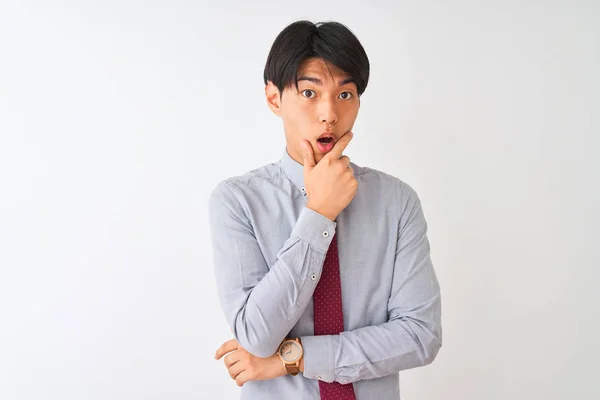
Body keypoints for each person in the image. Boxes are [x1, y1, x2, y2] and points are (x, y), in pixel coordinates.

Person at [209, 20, 442, 400]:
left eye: (345, 94)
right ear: (274, 99)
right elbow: (255, 334)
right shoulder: (237, 201)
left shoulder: (397, 202)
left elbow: (420, 335)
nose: (329, 113)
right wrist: (318, 214)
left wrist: (295, 356)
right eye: (309, 92)